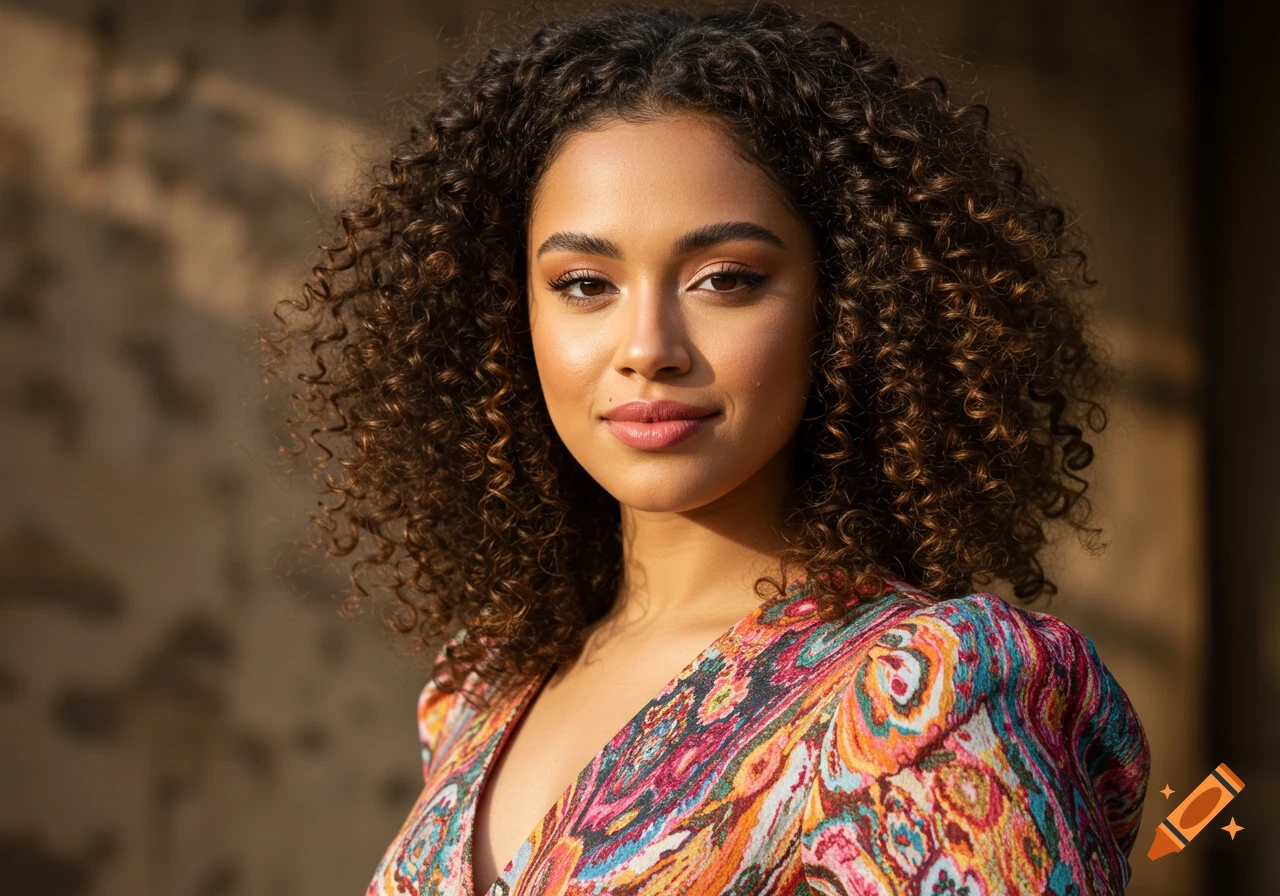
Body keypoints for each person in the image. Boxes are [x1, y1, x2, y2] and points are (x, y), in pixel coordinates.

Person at [261, 4, 1151, 894]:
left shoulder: (923, 695)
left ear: (847, 302)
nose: (648, 347)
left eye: (724, 279)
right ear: (509, 314)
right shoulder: (483, 689)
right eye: (584, 284)